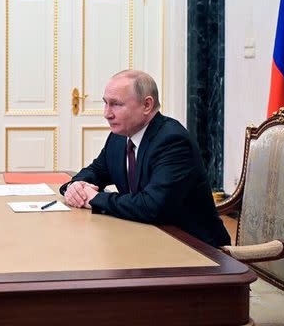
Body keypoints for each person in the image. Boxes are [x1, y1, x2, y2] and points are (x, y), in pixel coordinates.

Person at [60, 70, 230, 248]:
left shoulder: (172, 141)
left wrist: (94, 198)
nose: (107, 114)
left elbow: (152, 206)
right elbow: (95, 171)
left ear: (147, 105)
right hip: (146, 239)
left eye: (116, 104)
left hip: (194, 249)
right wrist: (75, 187)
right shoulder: (119, 137)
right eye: (105, 103)